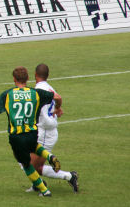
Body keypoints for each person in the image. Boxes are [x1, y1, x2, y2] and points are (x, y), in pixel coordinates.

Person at [0, 66, 63, 197]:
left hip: (16, 136)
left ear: (14, 79)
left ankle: (44, 190)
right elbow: (58, 97)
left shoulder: (8, 94)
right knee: (33, 146)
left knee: (26, 164)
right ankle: (49, 156)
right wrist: (58, 109)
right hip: (32, 133)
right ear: (28, 78)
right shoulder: (35, 93)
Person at [25, 64, 79, 193]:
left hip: (45, 132)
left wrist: (57, 108)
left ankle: (70, 176)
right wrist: (57, 108)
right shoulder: (48, 87)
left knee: (30, 165)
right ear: (47, 76)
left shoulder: (40, 89)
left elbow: (57, 99)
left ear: (35, 74)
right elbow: (58, 98)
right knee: (27, 162)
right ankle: (38, 184)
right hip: (45, 130)